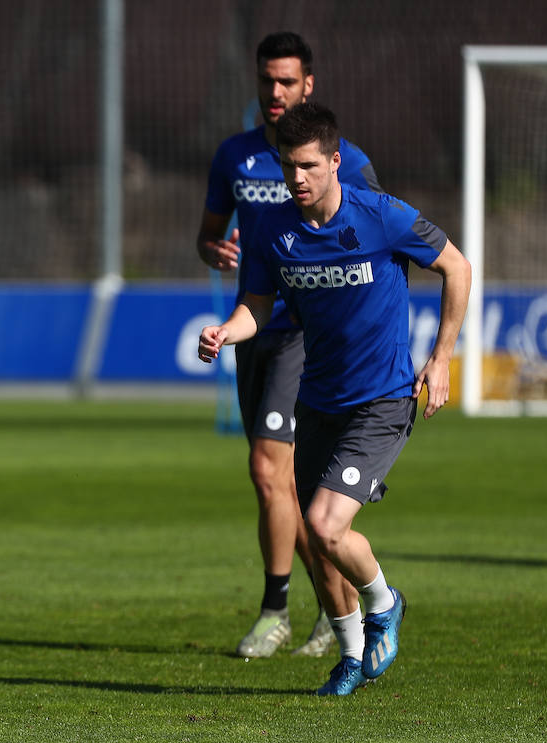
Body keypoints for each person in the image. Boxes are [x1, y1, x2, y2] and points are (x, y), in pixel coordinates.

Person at [199, 101, 470, 695]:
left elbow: (457, 267)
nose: (296, 179)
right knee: (319, 548)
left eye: (307, 166)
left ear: (334, 162)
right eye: (287, 167)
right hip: (316, 400)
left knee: (324, 524)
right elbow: (258, 306)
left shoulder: (381, 216)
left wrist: (443, 356)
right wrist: (227, 330)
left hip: (383, 399)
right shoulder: (273, 232)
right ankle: (349, 657)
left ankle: (384, 603)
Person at [196, 31, 384, 659]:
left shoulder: (348, 162)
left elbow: (372, 245)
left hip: (304, 338)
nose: (274, 92)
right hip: (254, 328)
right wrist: (213, 250)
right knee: (285, 490)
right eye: (265, 80)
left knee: (267, 470)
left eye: (287, 82)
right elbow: (209, 235)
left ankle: (277, 611)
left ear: (309, 85)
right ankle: (335, 609)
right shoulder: (236, 156)